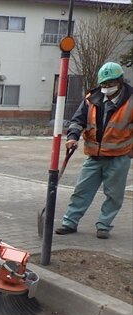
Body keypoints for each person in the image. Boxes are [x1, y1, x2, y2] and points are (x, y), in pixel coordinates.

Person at [55, 62, 132, 239]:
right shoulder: (92, 98)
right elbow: (77, 120)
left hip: (119, 157)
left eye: (110, 84)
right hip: (94, 156)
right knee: (82, 190)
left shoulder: (131, 100)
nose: (106, 88)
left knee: (114, 195)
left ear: (120, 81)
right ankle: (69, 222)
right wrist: (73, 137)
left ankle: (104, 225)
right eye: (103, 84)